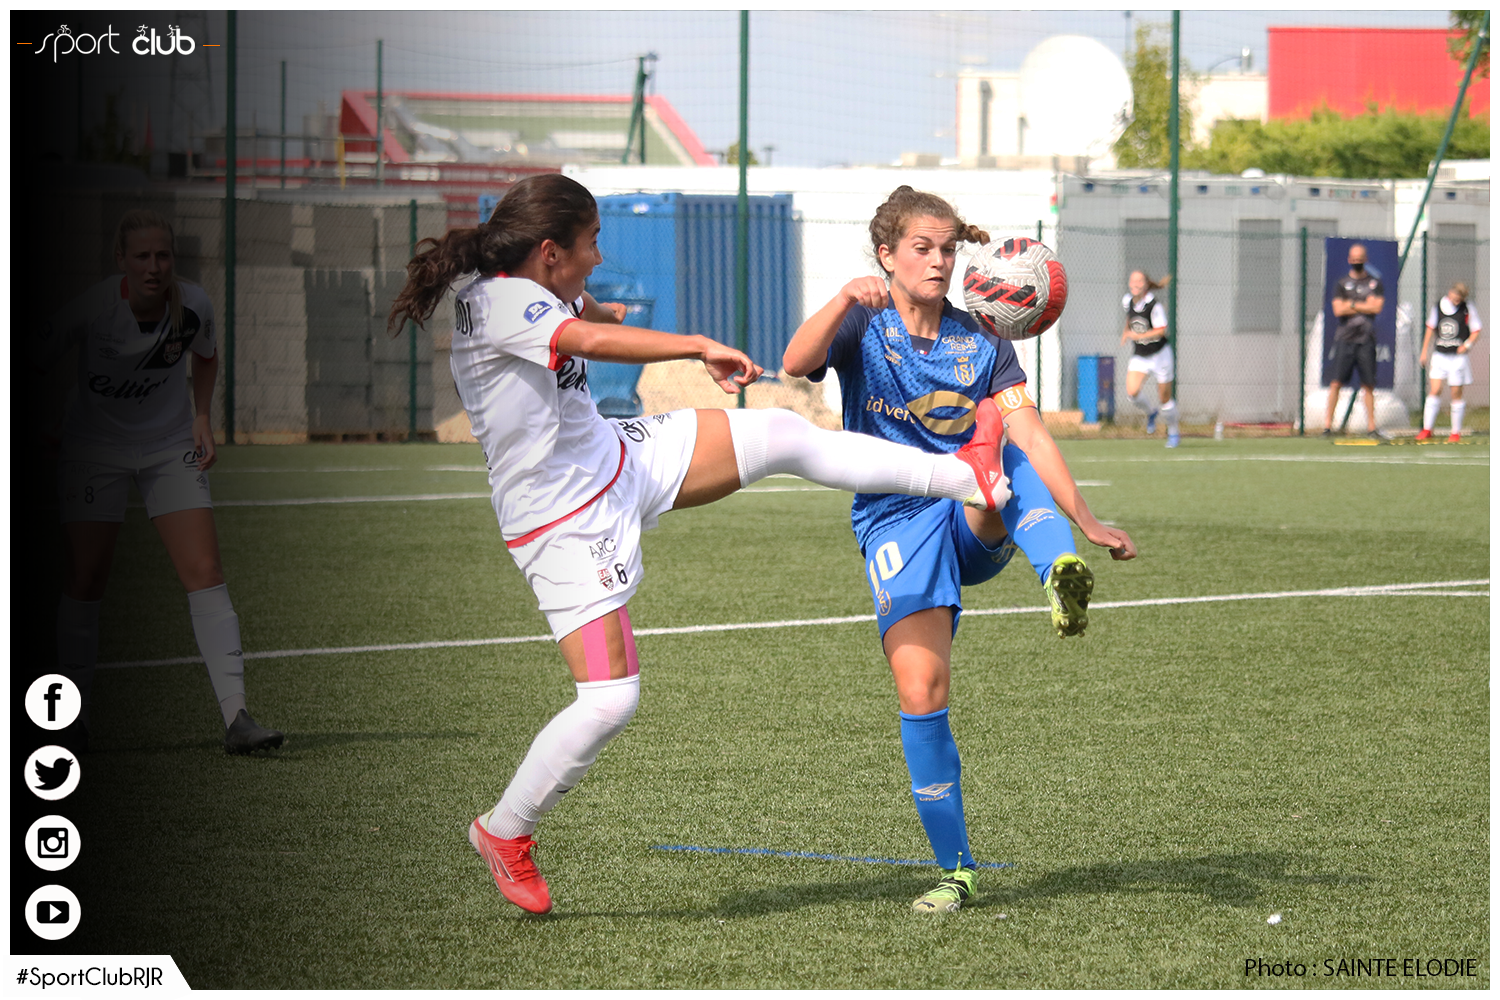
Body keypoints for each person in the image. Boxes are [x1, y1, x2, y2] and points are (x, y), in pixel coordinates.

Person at [386, 173, 1018, 916]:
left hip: (617, 455)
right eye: (591, 244)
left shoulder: (535, 283)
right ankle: (504, 830)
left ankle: (968, 477)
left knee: (782, 433)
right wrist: (695, 346)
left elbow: (590, 315)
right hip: (559, 519)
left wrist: (605, 308)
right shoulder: (500, 302)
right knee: (610, 700)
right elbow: (586, 338)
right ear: (550, 251)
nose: (599, 257)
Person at [783, 186, 1137, 914]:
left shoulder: (983, 339)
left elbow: (1031, 431)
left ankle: (1056, 565)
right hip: (893, 521)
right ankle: (957, 870)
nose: (939, 261)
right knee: (922, 691)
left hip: (974, 510)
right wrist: (842, 298)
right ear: (886, 255)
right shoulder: (863, 322)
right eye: (923, 248)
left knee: (1003, 449)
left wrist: (1086, 518)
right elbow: (795, 361)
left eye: (948, 249)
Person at [37, 209, 283, 754]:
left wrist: (202, 416)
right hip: (93, 449)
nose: (154, 267)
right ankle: (69, 721)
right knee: (86, 578)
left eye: (163, 255)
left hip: (169, 448)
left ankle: (238, 719)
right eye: (142, 256)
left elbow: (207, 356)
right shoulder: (94, 308)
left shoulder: (193, 305)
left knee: (205, 572)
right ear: (120, 260)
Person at [1322, 243, 1386, 439]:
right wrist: (1363, 305)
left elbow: (1376, 308)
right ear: (1349, 260)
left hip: (1366, 339)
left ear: (1366, 259)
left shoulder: (1375, 283)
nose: (1357, 261)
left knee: (1368, 385)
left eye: (1360, 259)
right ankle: (1327, 426)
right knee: (1336, 383)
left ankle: (1371, 427)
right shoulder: (1342, 284)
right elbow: (1338, 309)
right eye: (1354, 258)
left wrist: (1351, 304)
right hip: (1345, 339)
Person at [1416, 281, 1482, 443]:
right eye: (1456, 295)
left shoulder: (1467, 308)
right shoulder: (1438, 307)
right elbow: (1430, 328)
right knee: (1435, 389)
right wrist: (1424, 351)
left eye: (1460, 297)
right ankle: (1427, 429)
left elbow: (1476, 330)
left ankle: (1455, 432)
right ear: (1450, 292)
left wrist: (1466, 345)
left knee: (1456, 393)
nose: (1457, 299)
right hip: (1440, 355)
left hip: (1457, 358)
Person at [1120, 271, 1179, 447]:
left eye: (1139, 281)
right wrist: (1125, 332)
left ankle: (1173, 432)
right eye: (1132, 281)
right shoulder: (1127, 301)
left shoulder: (1154, 306)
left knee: (1165, 399)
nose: (1135, 284)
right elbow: (1129, 318)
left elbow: (1162, 330)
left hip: (1160, 355)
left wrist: (1139, 336)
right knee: (1132, 392)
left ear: (1146, 284)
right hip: (1141, 355)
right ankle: (1151, 412)